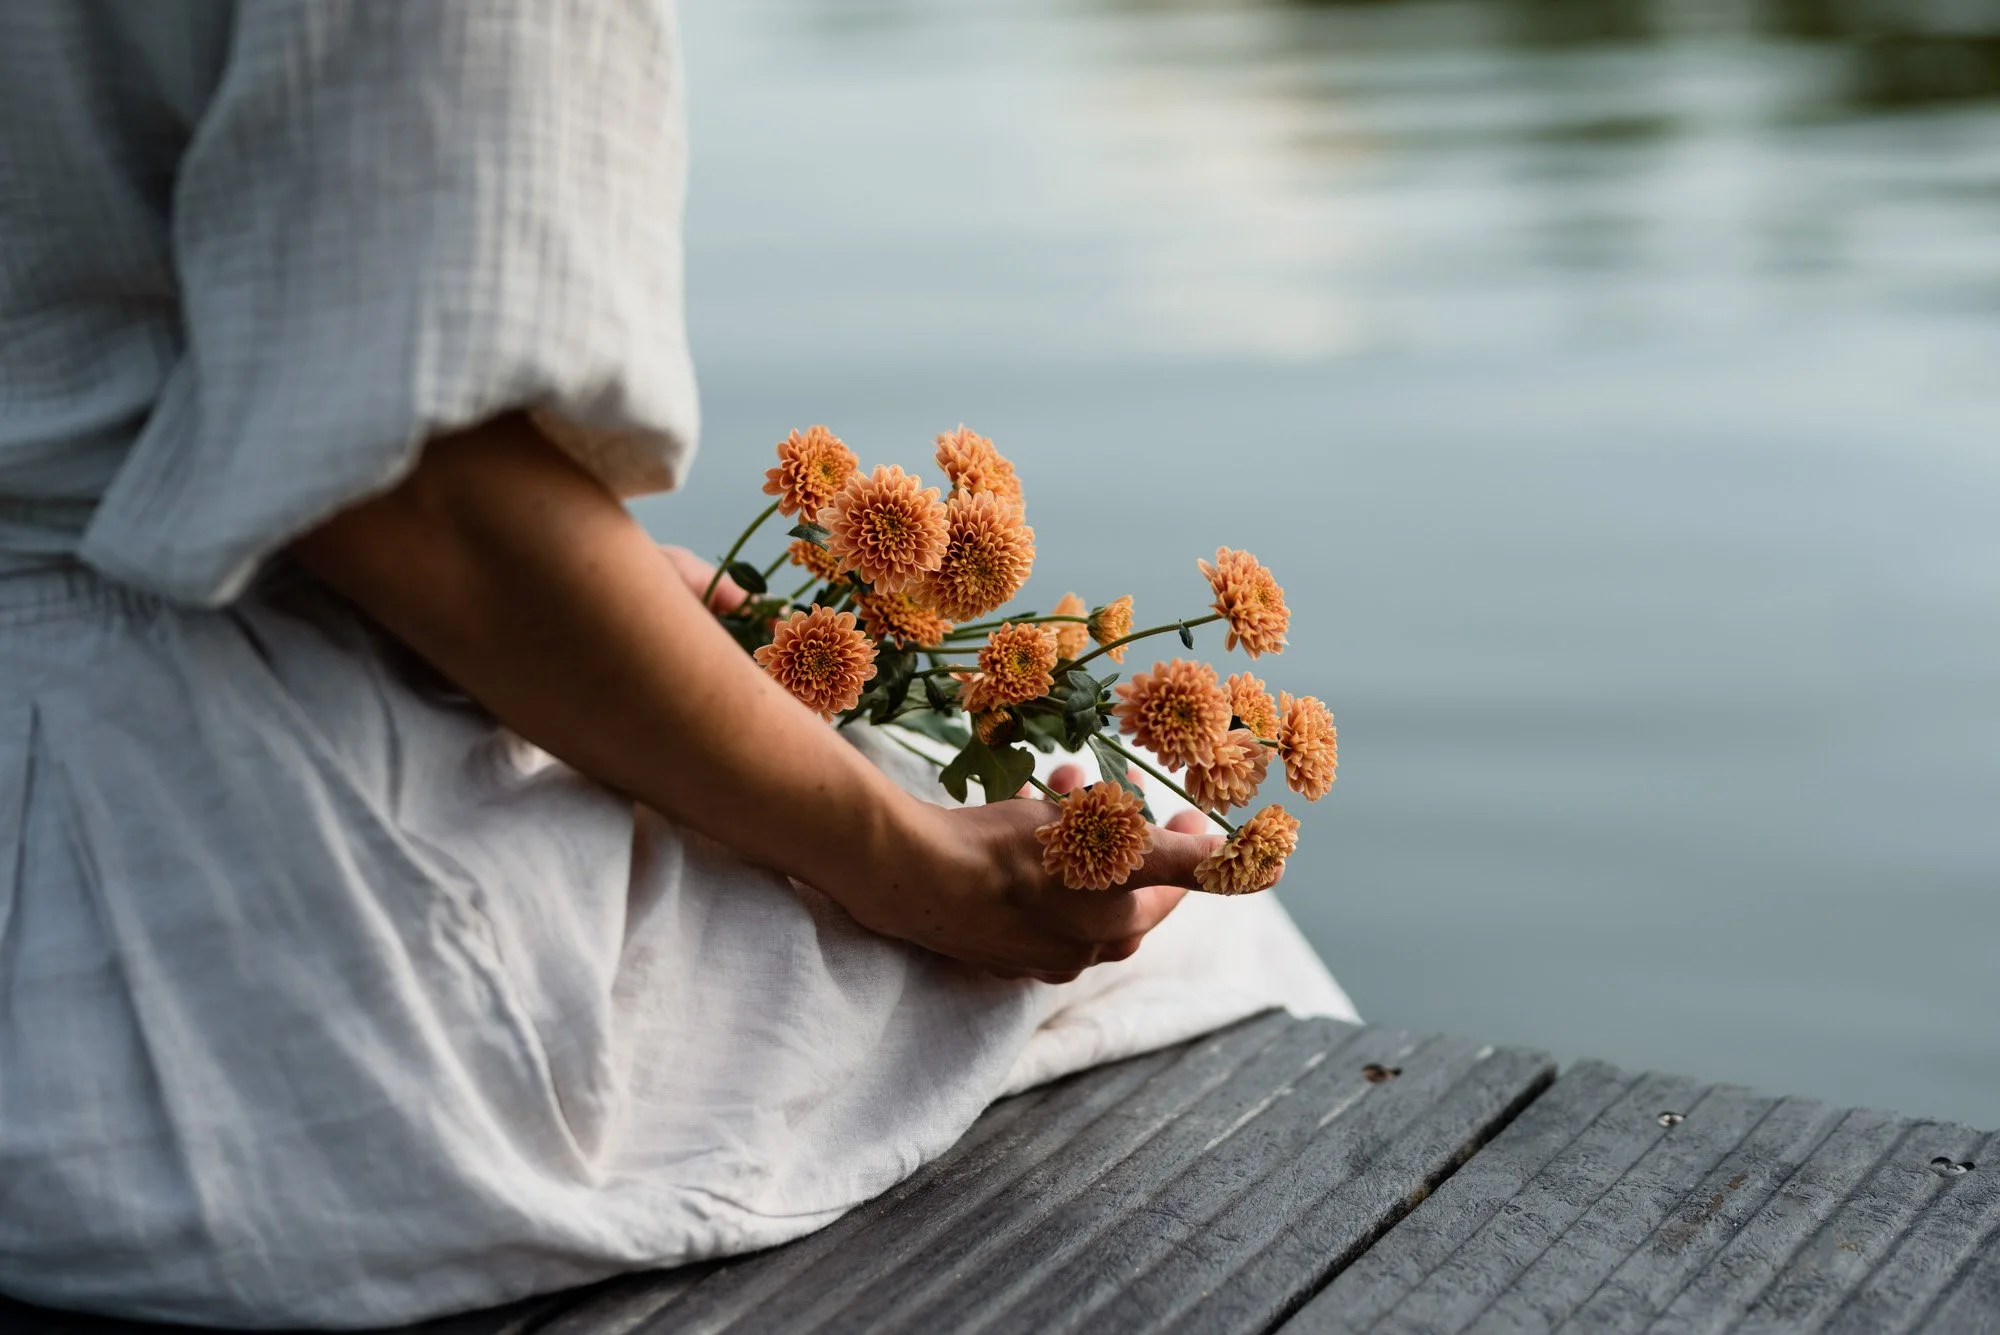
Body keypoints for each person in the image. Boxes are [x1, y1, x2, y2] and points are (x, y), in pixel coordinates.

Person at [0, 3, 1354, 1327]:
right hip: (202, 980)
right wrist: (913, 863)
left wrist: (622, 581)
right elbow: (415, 500)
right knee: (1202, 927)